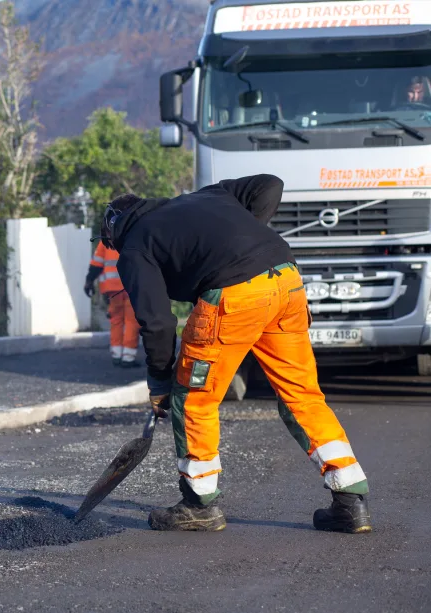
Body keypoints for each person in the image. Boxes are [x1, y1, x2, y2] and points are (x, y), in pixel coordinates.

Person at [100, 174, 371, 534]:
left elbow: (158, 323)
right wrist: (247, 241)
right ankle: (350, 502)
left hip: (234, 297)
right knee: (302, 396)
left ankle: (199, 504)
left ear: (113, 228)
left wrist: (160, 380)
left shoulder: (134, 244)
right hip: (286, 281)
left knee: (194, 399)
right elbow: (271, 184)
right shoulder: (207, 196)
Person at [85, 241, 140, 367]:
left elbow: (96, 265)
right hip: (131, 287)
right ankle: (128, 357)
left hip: (112, 288)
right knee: (131, 321)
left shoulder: (106, 239)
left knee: (116, 320)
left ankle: (116, 354)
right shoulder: (136, 234)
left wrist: (89, 281)